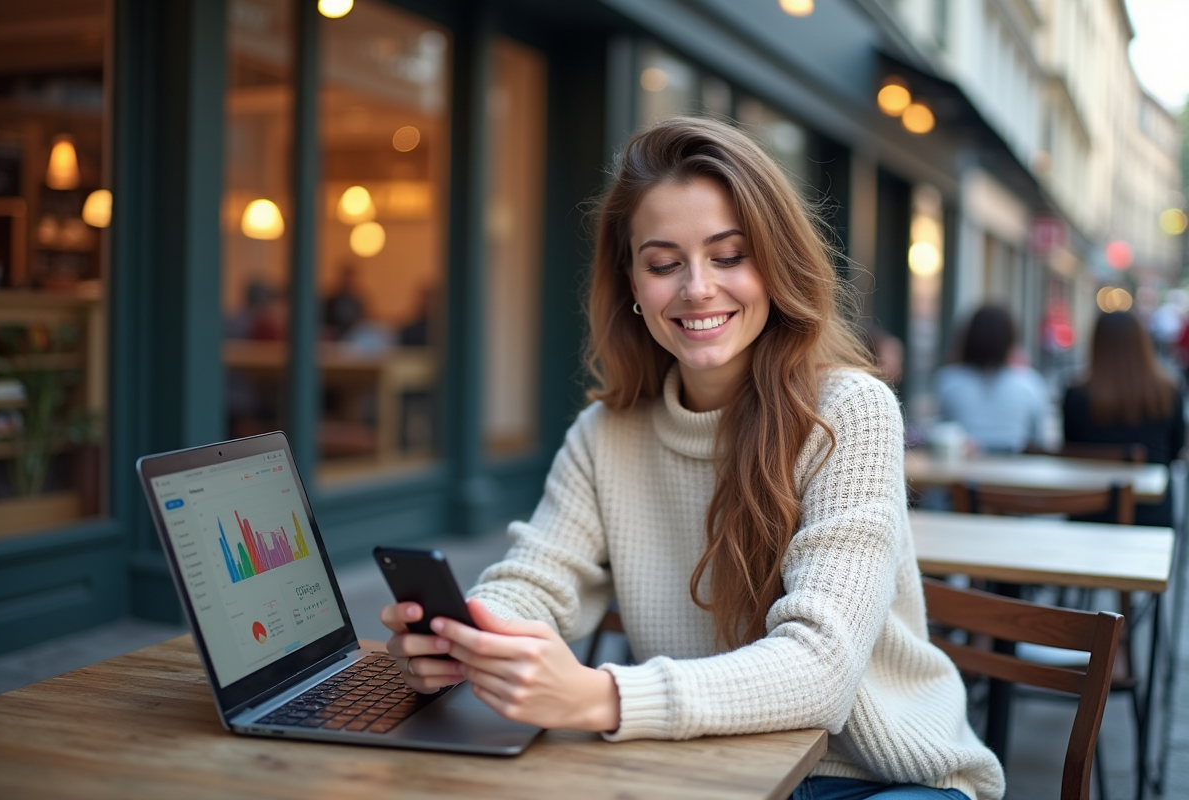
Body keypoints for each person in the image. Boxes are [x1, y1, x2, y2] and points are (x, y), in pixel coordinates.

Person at [380, 117, 1003, 800]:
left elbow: (821, 672)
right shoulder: (604, 434)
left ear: (775, 263)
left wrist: (600, 698)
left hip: (873, 777)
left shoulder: (850, 410)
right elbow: (535, 582)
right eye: (663, 262)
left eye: (729, 255)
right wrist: (463, 636)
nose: (697, 288)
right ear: (633, 287)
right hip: (706, 770)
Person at [1064, 311, 1186, 526]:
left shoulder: (1076, 395)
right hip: (1151, 516)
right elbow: (1175, 452)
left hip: (1089, 511)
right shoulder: (1169, 392)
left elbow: (1071, 450)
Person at [933, 305, 1049, 454]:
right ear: (1011, 339)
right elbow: (1038, 440)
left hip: (965, 472)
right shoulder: (1030, 383)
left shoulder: (948, 380)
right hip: (1015, 472)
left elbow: (945, 433)